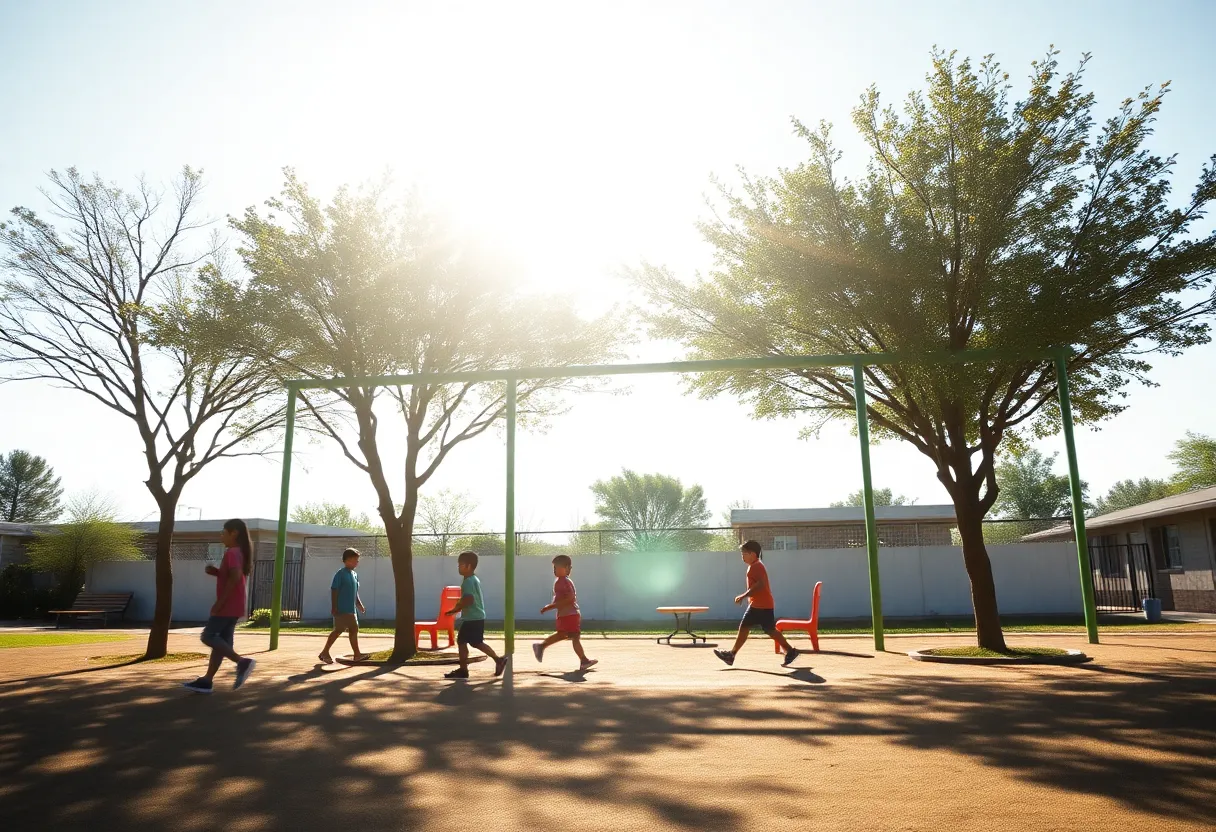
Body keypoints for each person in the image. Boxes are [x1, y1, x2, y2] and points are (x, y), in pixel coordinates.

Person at [183, 518, 257, 694]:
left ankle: (242, 662)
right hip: (236, 604)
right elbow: (233, 576)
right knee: (221, 643)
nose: (221, 536)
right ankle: (207, 681)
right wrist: (217, 572)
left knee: (208, 636)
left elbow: (235, 577)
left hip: (228, 604)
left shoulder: (232, 552)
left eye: (224, 532)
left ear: (234, 533)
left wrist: (220, 602)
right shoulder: (239, 552)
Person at [714, 540, 801, 668]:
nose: (742, 556)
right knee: (747, 627)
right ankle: (731, 655)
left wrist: (744, 596)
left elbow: (760, 585)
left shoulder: (756, 567)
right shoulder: (755, 566)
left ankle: (790, 651)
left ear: (753, 554)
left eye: (744, 553)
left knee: (770, 630)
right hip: (757, 605)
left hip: (763, 606)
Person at [444, 551, 507, 680]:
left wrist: (456, 608)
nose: (458, 567)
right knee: (475, 642)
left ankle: (464, 670)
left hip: (472, 618)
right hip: (476, 617)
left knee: (464, 641)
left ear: (468, 566)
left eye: (460, 565)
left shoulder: (467, 582)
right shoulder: (473, 579)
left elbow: (469, 599)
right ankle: (497, 660)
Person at [533, 554, 597, 670]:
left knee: (562, 634)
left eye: (557, 567)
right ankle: (584, 661)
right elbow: (570, 599)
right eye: (554, 568)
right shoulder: (562, 581)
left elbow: (565, 599)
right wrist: (550, 607)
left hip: (565, 614)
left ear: (567, 568)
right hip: (570, 614)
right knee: (575, 637)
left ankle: (541, 646)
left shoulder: (562, 581)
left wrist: (550, 607)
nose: (554, 570)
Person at [319, 548, 369, 664]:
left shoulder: (355, 575)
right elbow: (334, 589)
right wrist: (334, 606)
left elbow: (355, 592)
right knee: (340, 630)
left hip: (351, 609)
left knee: (351, 629)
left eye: (357, 560)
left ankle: (356, 654)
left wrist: (359, 605)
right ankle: (325, 652)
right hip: (342, 608)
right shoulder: (340, 574)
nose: (356, 562)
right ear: (346, 560)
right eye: (354, 560)